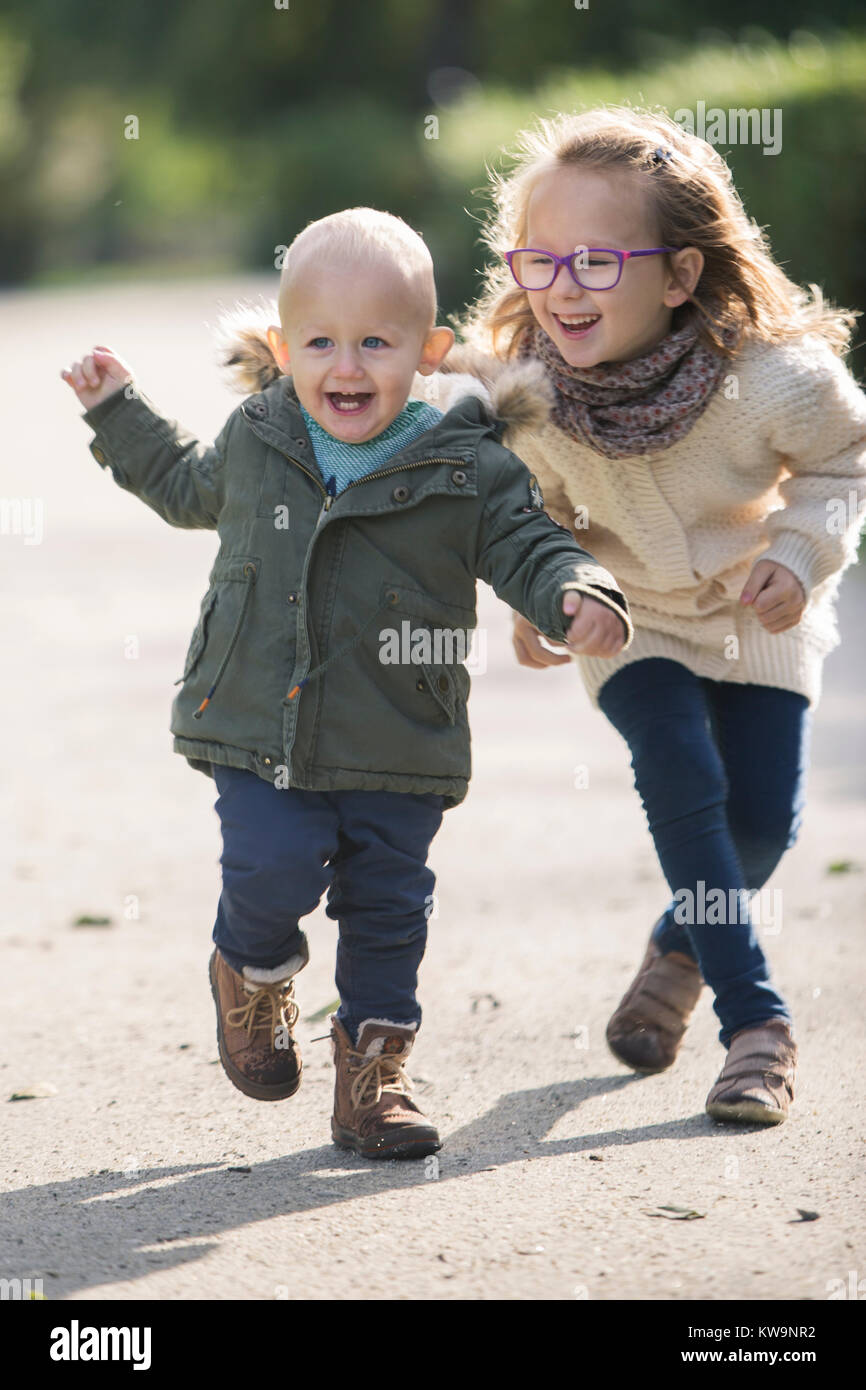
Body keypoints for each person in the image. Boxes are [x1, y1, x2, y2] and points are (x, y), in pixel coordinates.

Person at [61, 206, 632, 1160]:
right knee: (268, 867)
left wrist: (577, 586)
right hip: (257, 723)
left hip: (401, 737)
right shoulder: (260, 434)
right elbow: (186, 487)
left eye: (378, 341)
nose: (348, 367)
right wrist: (118, 414)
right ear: (283, 348)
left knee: (389, 908)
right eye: (321, 342)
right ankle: (248, 971)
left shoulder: (469, 465)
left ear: (432, 349)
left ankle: (375, 1078)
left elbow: (529, 544)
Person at [450, 106, 866, 1125]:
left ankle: (679, 947)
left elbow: (841, 464)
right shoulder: (522, 395)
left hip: (752, 612)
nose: (559, 287)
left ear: (677, 277)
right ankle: (755, 1026)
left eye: (594, 260)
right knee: (678, 765)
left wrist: (794, 552)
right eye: (537, 260)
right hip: (624, 616)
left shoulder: (773, 379)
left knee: (758, 826)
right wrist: (541, 595)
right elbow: (523, 513)